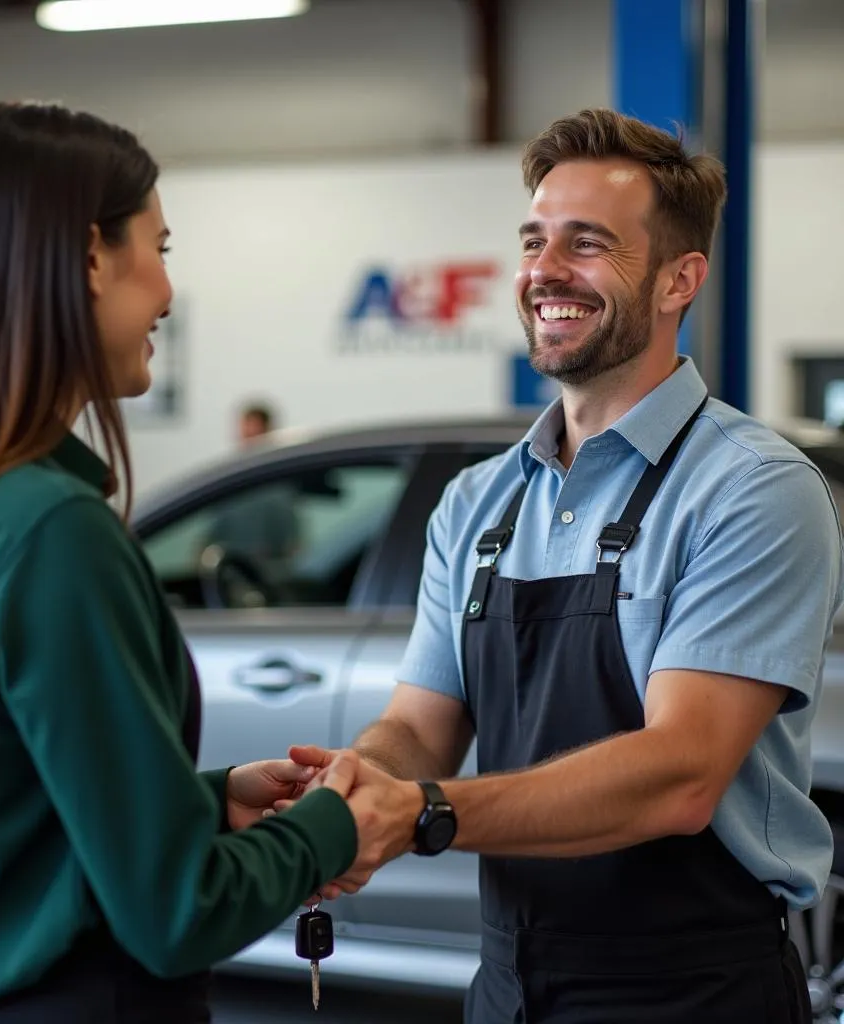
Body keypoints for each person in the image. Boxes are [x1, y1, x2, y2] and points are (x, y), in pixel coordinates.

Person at [0, 102, 393, 1024]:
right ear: (91, 257)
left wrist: (200, 803)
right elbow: (177, 912)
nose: (168, 290)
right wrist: (339, 825)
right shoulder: (49, 530)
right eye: (160, 248)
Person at [289, 108, 843, 1023]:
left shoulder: (752, 490)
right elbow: (421, 725)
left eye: (587, 245)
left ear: (679, 279)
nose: (545, 271)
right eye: (535, 240)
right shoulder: (477, 502)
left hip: (689, 992)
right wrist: (357, 788)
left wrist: (423, 811)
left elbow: (681, 775)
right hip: (508, 981)